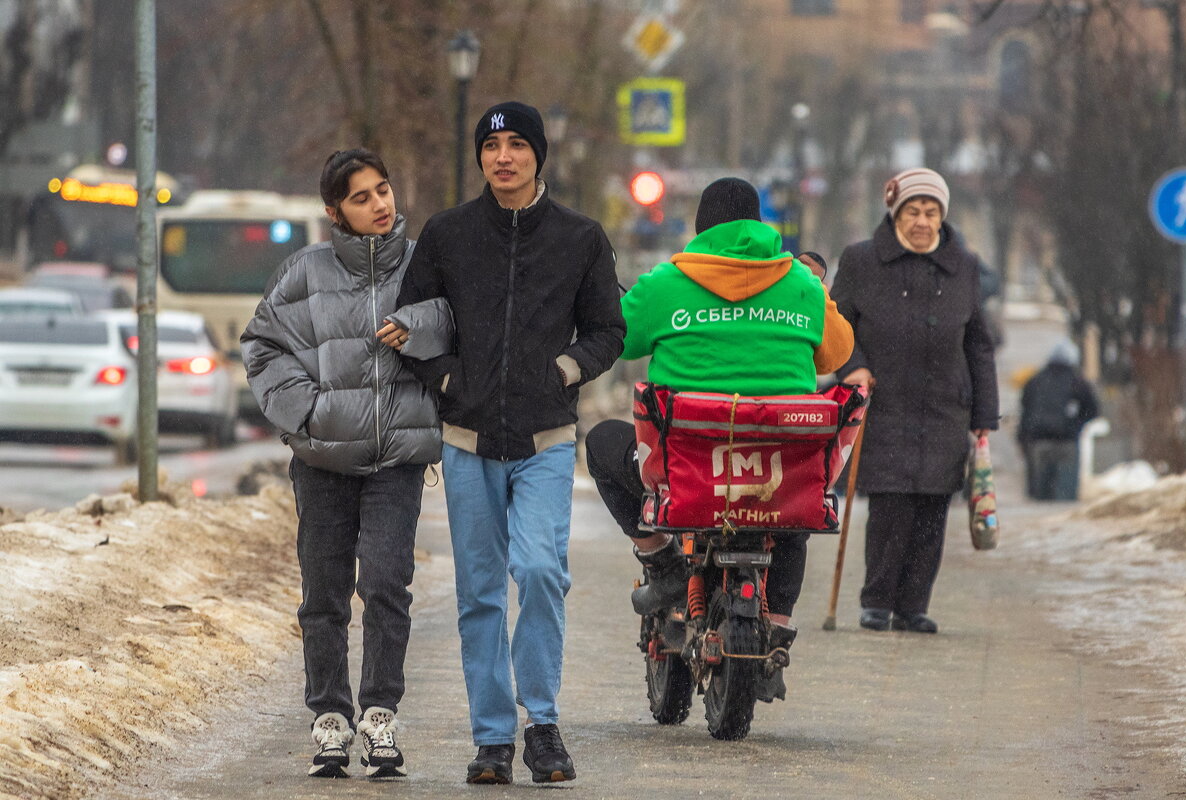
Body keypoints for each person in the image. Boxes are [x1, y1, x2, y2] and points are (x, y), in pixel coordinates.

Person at [386, 101, 624, 785]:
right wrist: (445, 376)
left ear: (538, 155)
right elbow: (413, 324)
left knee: (542, 572)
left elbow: (607, 329)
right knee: (481, 593)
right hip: (467, 438)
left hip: (544, 439)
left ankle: (541, 724)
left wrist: (564, 369)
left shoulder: (580, 238)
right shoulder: (449, 234)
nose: (504, 157)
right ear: (481, 157)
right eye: (492, 146)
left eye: (518, 144)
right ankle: (493, 739)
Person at [584, 177, 854, 702]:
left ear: (701, 229)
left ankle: (660, 559)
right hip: (774, 477)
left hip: (689, 478)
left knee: (601, 444)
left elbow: (623, 336)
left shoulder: (667, 283)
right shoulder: (799, 284)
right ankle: (776, 625)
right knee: (792, 514)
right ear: (761, 225)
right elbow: (837, 353)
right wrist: (813, 296)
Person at [241, 149, 451, 780]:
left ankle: (380, 714)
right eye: (362, 197)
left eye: (383, 190)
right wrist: (304, 413)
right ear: (335, 211)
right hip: (323, 460)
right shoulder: (302, 273)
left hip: (398, 461)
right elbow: (261, 344)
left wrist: (422, 328)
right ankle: (330, 718)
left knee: (388, 585)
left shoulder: (425, 268)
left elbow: (460, 329)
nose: (380, 204)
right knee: (324, 593)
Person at [830, 167, 999, 635]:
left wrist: (984, 414)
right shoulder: (862, 261)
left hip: (945, 406)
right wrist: (852, 366)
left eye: (930, 212)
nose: (922, 221)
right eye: (912, 211)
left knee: (933, 510)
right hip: (884, 407)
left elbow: (978, 344)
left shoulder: (962, 266)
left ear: (942, 217)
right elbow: (836, 324)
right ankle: (876, 601)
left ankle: (913, 606)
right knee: (889, 506)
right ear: (895, 214)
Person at [1018, 338, 1100, 500]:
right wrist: (1075, 425)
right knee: (1065, 496)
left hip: (1038, 443)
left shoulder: (1035, 381)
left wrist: (1023, 438)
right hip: (1067, 442)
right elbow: (1092, 410)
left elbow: (1026, 410)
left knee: (1040, 496)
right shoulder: (1078, 383)